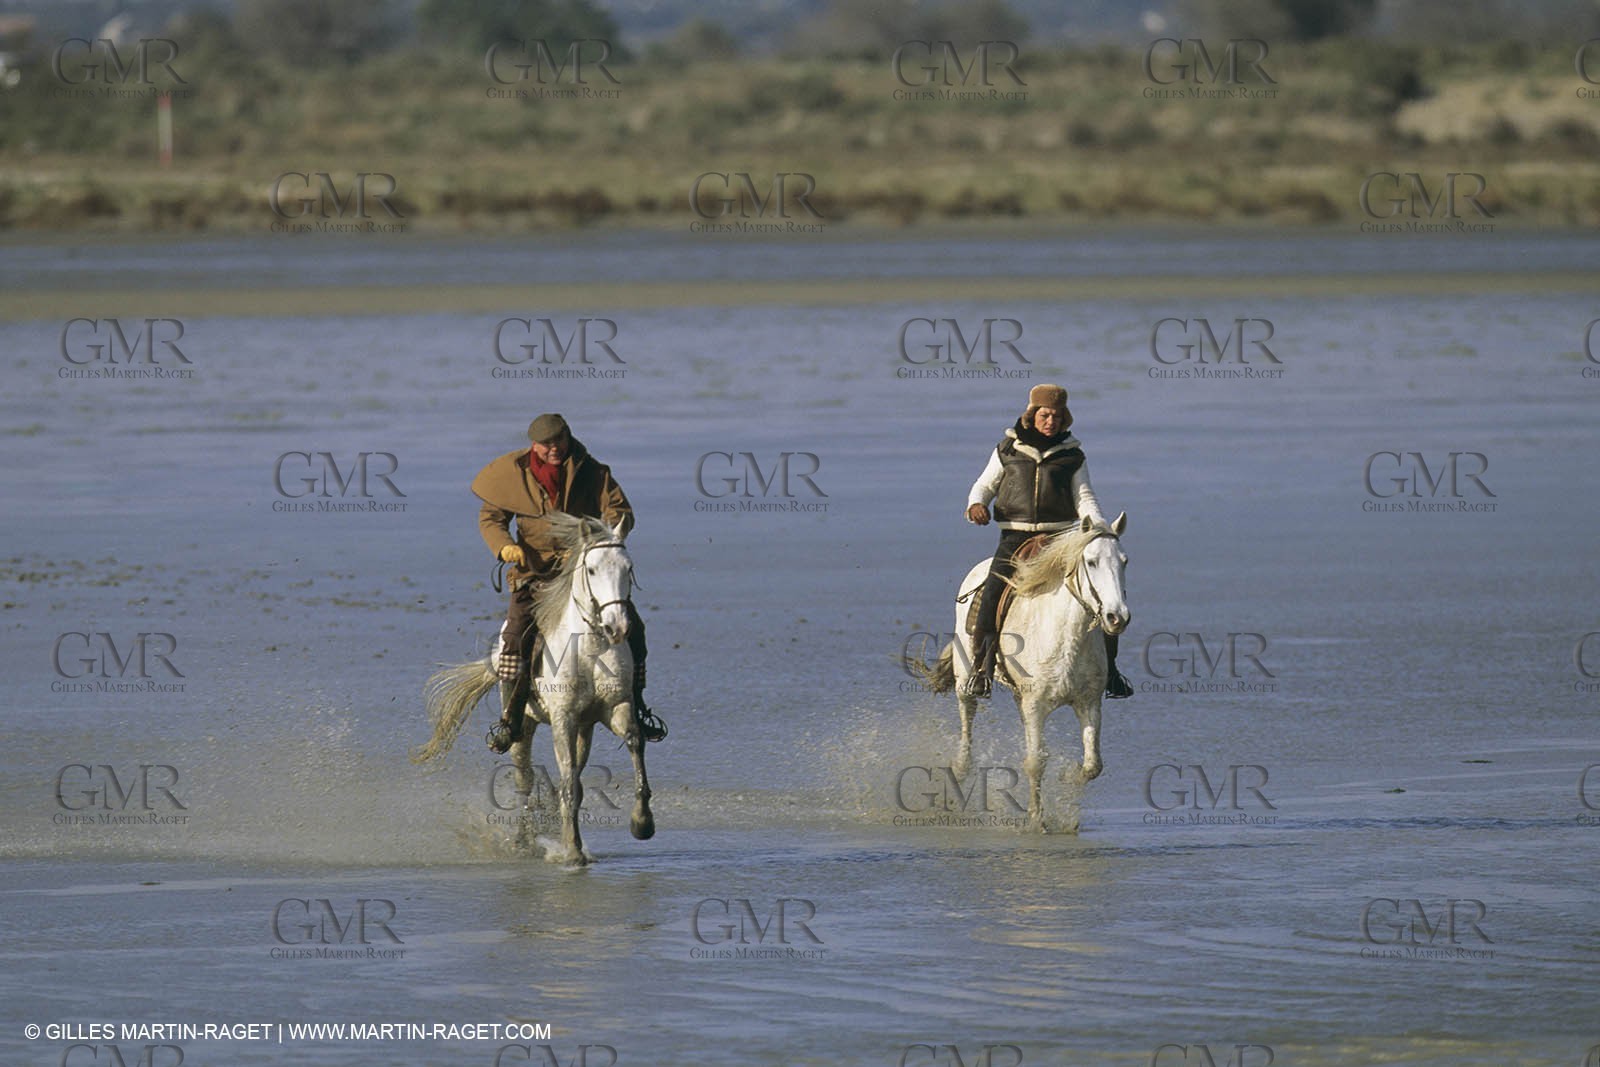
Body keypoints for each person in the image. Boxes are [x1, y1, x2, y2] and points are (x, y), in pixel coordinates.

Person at [471, 413, 666, 751]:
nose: (554, 449)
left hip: (584, 573)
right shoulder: (511, 474)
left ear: (568, 438)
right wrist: (504, 546)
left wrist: (609, 530)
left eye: (559, 441)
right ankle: (511, 717)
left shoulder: (594, 471)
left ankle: (638, 706)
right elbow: (492, 517)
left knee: (635, 630)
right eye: (546, 444)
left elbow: (620, 509)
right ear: (534, 445)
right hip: (534, 574)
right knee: (515, 637)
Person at [963, 383, 1132, 700]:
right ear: (1032, 414)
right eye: (1044, 414)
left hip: (1059, 538)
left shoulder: (1072, 455)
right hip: (1014, 535)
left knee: (1103, 594)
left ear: (1064, 418)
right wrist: (976, 505)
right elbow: (985, 485)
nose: (1050, 421)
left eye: (1056, 416)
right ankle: (981, 669)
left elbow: (1084, 496)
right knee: (991, 596)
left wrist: (1097, 527)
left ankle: (1110, 672)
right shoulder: (1007, 450)